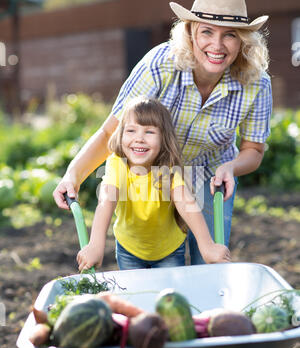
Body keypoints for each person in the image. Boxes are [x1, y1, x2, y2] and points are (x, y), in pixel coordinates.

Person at [53, 0, 272, 265]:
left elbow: (254, 150)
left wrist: (230, 168)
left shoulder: (256, 83)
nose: (217, 45)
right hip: (154, 173)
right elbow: (111, 132)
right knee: (158, 253)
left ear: (244, 42)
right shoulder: (160, 65)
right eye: (207, 32)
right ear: (190, 32)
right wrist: (72, 175)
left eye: (230, 35)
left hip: (210, 173)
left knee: (211, 260)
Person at [76, 96, 230, 271]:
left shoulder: (167, 167)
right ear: (120, 134)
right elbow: (106, 201)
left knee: (169, 296)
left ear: (163, 138)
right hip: (130, 248)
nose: (139, 138)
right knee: (135, 295)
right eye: (131, 131)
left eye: (149, 132)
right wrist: (96, 244)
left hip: (169, 250)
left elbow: (186, 203)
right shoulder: (118, 163)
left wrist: (207, 245)